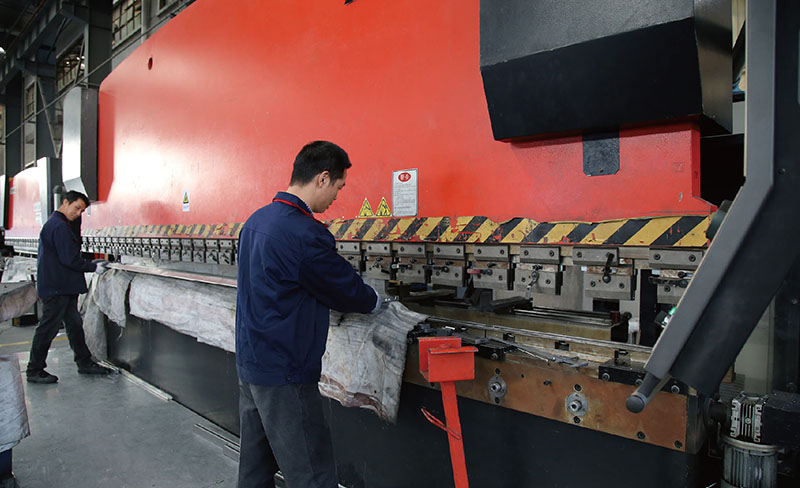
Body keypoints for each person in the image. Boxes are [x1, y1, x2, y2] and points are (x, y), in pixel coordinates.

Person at [236, 141, 381, 488]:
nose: (335, 198)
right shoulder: (303, 232)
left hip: (251, 363)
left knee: (255, 468)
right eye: (338, 188)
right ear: (323, 178)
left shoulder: (256, 221)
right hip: (286, 371)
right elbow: (343, 289)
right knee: (311, 473)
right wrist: (378, 300)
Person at [26, 190, 111, 384]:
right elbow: (69, 259)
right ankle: (34, 370)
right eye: (77, 208)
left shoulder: (61, 224)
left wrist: (89, 262)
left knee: (74, 326)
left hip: (63, 287)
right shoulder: (59, 227)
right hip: (57, 288)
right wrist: (93, 267)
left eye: (82, 211)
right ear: (65, 202)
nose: (78, 213)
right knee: (48, 329)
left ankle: (84, 362)